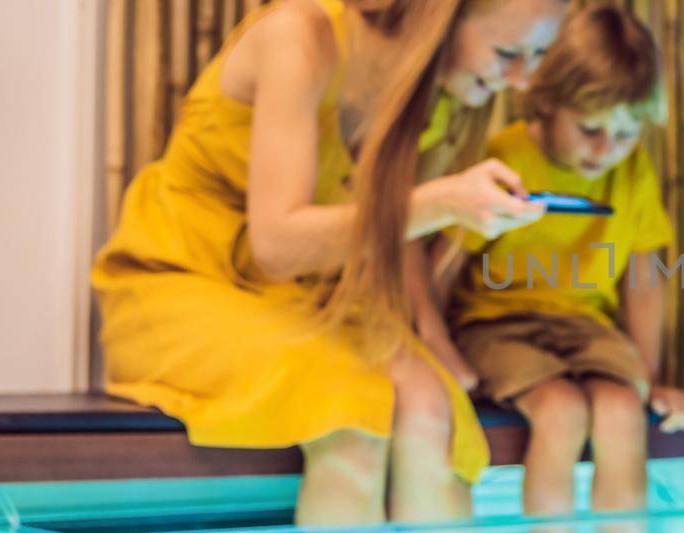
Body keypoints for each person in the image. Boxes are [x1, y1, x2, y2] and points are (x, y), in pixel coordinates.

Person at [91, 0, 564, 525]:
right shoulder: (299, 38)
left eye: (539, 55)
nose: (521, 81)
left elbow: (397, 230)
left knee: (433, 411)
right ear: (438, 18)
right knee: (354, 419)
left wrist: (434, 340)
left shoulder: (440, 93)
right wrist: (443, 202)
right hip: (190, 281)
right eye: (507, 53)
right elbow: (279, 246)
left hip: (318, 299)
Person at [432, 5, 684, 517]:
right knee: (560, 412)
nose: (606, 150)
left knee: (622, 409)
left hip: (584, 327)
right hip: (496, 325)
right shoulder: (502, 158)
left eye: (625, 135)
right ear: (549, 102)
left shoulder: (634, 175)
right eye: (589, 129)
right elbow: (445, 263)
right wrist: (439, 354)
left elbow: (643, 279)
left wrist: (647, 378)